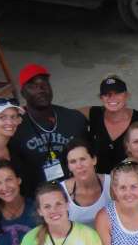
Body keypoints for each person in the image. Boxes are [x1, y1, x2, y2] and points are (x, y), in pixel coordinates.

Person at [8, 64, 87, 194]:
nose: (41, 89)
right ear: (23, 93)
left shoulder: (74, 119)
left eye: (44, 84)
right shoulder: (16, 128)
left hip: (76, 192)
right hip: (36, 197)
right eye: (33, 86)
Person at [80, 75, 138, 174]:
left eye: (118, 93)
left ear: (127, 95)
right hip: (99, 180)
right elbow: (65, 115)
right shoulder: (93, 113)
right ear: (101, 98)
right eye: (107, 94)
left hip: (132, 180)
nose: (112, 98)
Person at [60, 139, 111, 225]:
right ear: (68, 167)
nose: (79, 165)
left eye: (83, 159)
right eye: (73, 162)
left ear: (94, 160)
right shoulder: (61, 192)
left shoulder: (112, 183)